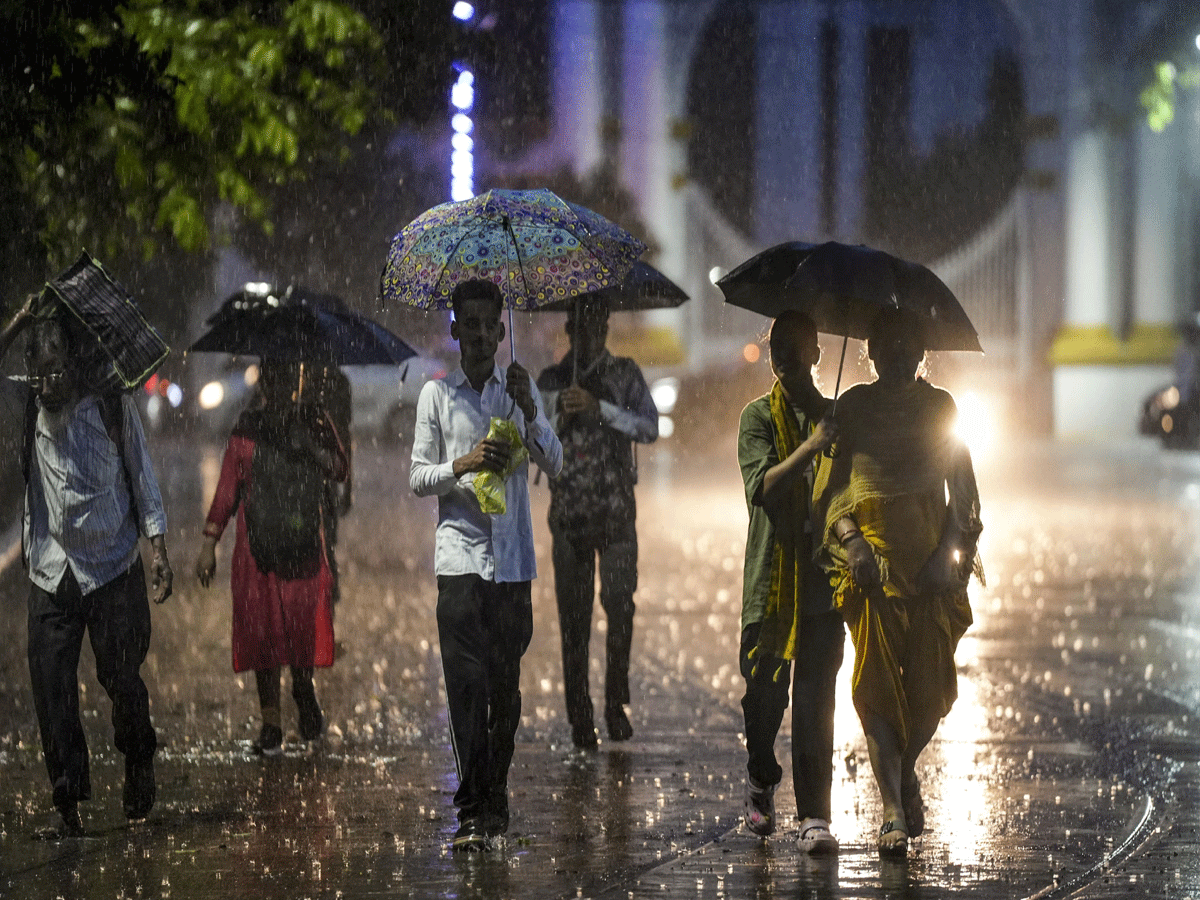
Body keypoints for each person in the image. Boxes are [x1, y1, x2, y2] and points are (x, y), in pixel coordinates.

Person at [812, 306, 982, 856]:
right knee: (879, 691)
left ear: (922, 352)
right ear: (873, 352)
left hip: (933, 575)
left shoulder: (941, 408)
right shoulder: (853, 408)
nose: (900, 353)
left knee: (930, 696)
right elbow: (832, 492)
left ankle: (904, 770)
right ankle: (891, 811)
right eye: (888, 344)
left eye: (910, 343)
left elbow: (966, 496)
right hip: (872, 577)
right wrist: (855, 544)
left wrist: (951, 554)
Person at [0, 298, 173, 836]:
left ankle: (138, 756)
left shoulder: (111, 405)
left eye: (55, 373)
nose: (46, 386)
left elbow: (142, 478)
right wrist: (20, 323)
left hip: (113, 567)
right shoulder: (30, 406)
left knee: (121, 678)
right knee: (52, 688)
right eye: (39, 374)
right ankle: (68, 804)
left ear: (75, 366)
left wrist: (159, 549)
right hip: (51, 572)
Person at [409, 278, 563, 852]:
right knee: (466, 689)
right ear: (454, 330)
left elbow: (556, 461)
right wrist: (467, 462)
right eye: (466, 324)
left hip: (513, 564)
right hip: (459, 562)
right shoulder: (437, 397)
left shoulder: (518, 390)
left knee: (506, 692)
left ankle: (495, 790)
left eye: (486, 325)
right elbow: (418, 476)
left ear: (502, 331)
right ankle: (472, 808)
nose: (477, 335)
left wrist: (531, 412)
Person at [195, 358, 348, 756]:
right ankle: (271, 724)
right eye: (274, 380)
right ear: (265, 384)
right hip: (256, 550)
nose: (281, 389)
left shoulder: (314, 420)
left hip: (301, 546)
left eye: (286, 380)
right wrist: (210, 543)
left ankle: (302, 687)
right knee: (264, 635)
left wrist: (310, 445)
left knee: (298, 629)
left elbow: (339, 469)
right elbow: (229, 487)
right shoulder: (247, 427)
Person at [736, 311, 843, 854]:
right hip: (771, 581)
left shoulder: (836, 419)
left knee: (815, 700)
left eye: (796, 346)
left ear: (817, 353)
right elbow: (764, 488)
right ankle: (760, 775)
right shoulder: (756, 418)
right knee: (764, 697)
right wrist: (811, 448)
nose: (784, 356)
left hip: (822, 582)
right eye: (778, 345)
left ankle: (814, 816)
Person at [536, 298, 658, 748]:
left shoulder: (624, 374)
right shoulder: (551, 380)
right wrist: (559, 416)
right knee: (574, 620)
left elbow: (650, 427)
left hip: (617, 514)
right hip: (568, 515)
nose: (592, 336)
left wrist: (601, 410)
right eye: (583, 328)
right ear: (569, 330)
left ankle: (614, 703)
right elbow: (532, 438)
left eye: (598, 326)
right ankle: (579, 715)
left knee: (620, 607)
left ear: (607, 327)